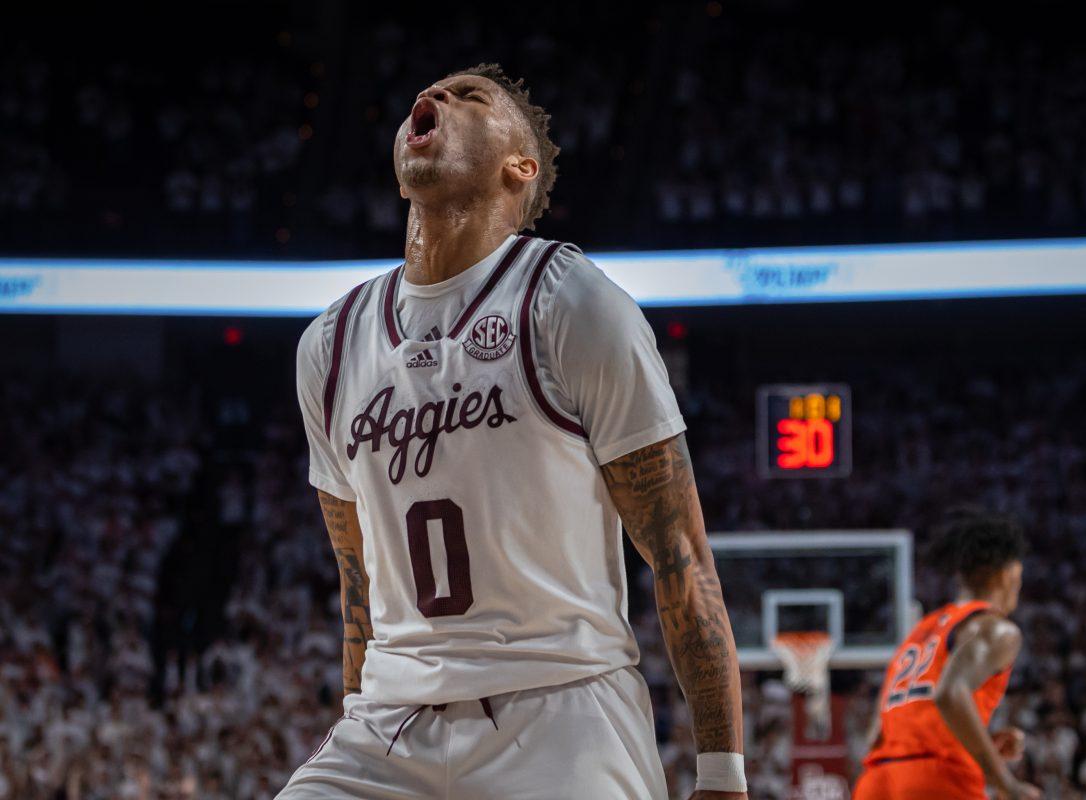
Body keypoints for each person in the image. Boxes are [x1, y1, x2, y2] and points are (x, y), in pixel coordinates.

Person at [278, 63, 747, 799]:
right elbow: (357, 582)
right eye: (431, 93)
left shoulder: (572, 303)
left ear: (518, 168)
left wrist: (722, 774)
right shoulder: (330, 346)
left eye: (471, 97)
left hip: (563, 707)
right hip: (390, 724)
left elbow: (680, 554)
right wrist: (358, 710)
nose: (433, 99)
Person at [853, 510, 1040, 800]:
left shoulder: (919, 635)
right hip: (937, 782)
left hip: (877, 783)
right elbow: (950, 694)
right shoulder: (995, 629)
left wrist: (983, 747)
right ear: (1007, 573)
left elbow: (875, 735)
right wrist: (1006, 784)